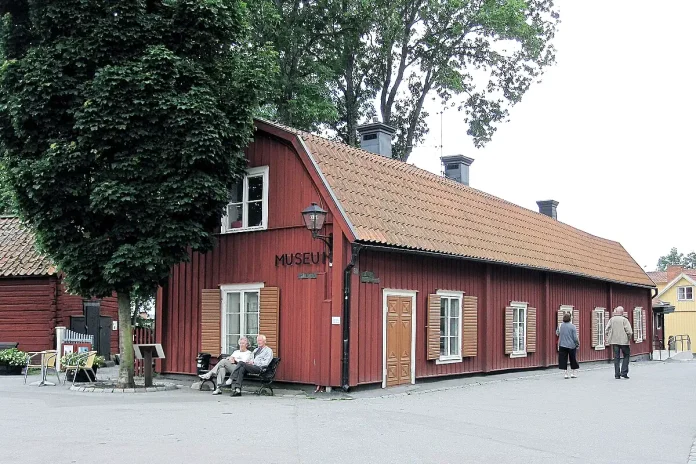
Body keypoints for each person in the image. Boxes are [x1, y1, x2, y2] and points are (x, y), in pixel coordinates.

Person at [605, 306, 633, 379]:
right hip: (624, 341)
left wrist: (609, 336)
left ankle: (617, 374)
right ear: (622, 312)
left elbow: (606, 329)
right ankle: (624, 372)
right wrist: (629, 338)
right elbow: (629, 331)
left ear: (616, 311)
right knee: (626, 356)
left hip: (614, 341)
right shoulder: (624, 320)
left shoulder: (611, 320)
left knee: (616, 357)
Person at [556, 312, 580, 379]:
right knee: (573, 359)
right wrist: (577, 344)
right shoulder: (573, 326)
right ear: (570, 319)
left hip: (562, 345)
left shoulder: (560, 325)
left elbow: (557, 333)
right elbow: (575, 337)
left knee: (563, 359)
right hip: (571, 345)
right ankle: (573, 373)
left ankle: (565, 374)